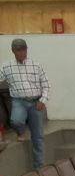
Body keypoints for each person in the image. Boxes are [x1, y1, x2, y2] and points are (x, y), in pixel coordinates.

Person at [1, 38, 50, 168]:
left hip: (36, 102)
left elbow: (46, 84)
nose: (22, 52)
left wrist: (43, 100)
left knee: (38, 136)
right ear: (13, 51)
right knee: (16, 121)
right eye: (19, 50)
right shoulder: (6, 67)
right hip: (19, 101)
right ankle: (20, 132)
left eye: (24, 49)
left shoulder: (36, 65)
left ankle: (39, 167)